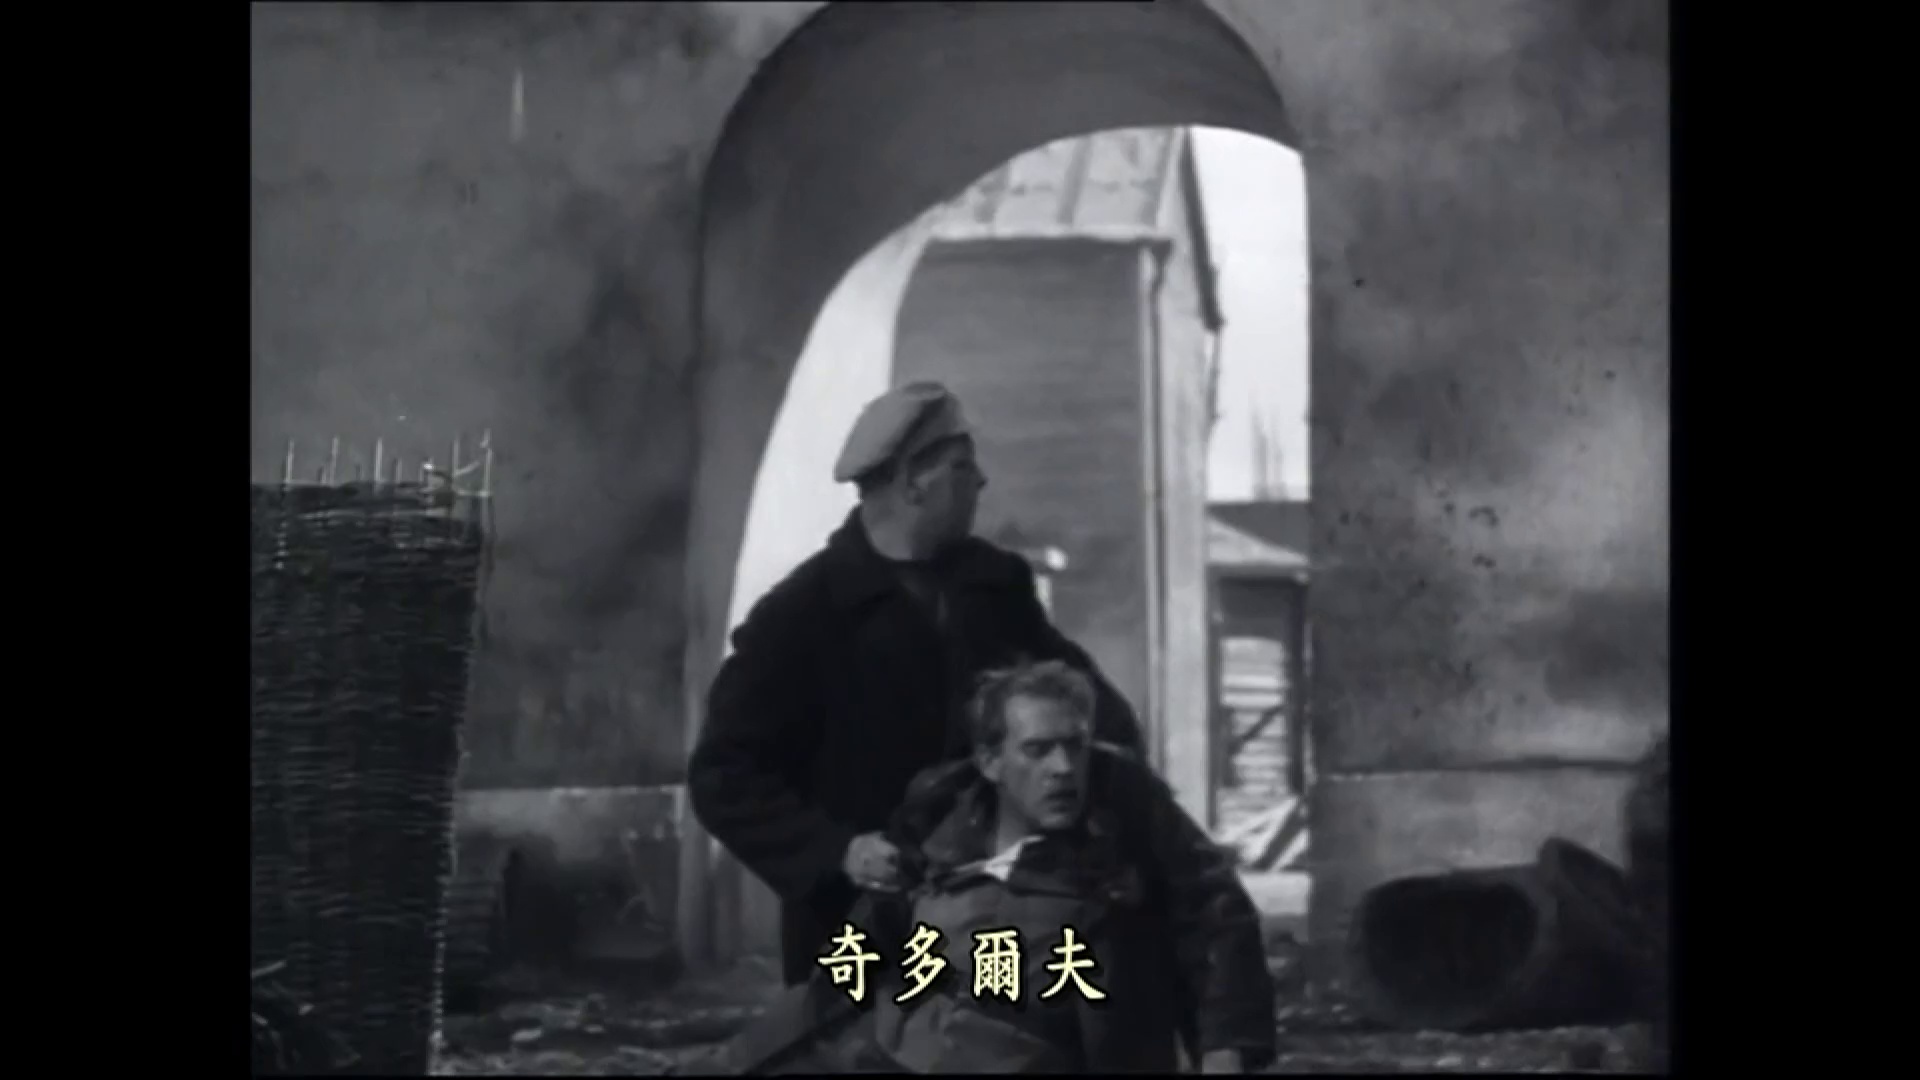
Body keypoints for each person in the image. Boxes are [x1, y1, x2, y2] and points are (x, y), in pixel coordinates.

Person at [689, 381, 1147, 989]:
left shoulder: (997, 590)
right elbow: (723, 776)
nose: (981, 481)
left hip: (996, 920)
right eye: (962, 466)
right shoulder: (801, 615)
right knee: (867, 1042)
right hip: (862, 932)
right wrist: (837, 852)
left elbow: (1100, 718)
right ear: (912, 482)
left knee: (999, 1037)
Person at [725, 660, 1275, 1074]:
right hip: (907, 1049)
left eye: (1075, 746)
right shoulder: (938, 830)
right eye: (1038, 750)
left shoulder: (1126, 822)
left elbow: (1216, 915)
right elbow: (851, 968)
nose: (1063, 768)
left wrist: (1224, 1049)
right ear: (991, 761)